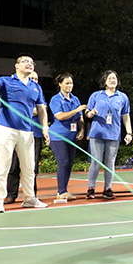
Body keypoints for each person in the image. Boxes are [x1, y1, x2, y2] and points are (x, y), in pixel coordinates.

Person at [0, 54, 50, 213]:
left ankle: (29, 198)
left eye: (32, 62)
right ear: (17, 66)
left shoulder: (36, 87)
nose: (29, 64)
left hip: (27, 131)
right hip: (6, 129)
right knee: (3, 166)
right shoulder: (6, 81)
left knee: (29, 168)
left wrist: (44, 127)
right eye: (25, 61)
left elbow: (42, 109)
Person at [85, 70, 133, 200]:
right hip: (97, 134)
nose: (112, 80)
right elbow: (87, 113)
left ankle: (107, 189)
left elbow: (126, 116)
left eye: (114, 78)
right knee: (96, 161)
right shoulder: (96, 95)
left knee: (110, 163)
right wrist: (91, 113)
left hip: (113, 134)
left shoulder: (122, 97)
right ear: (104, 81)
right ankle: (91, 188)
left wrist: (129, 132)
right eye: (110, 78)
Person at [5, 70, 45, 203]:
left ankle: (31, 195)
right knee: (14, 165)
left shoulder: (37, 93)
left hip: (35, 135)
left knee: (32, 167)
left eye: (36, 79)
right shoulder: (19, 93)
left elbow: (41, 110)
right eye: (32, 78)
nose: (34, 81)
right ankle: (11, 194)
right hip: (17, 133)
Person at [48, 73, 86, 202]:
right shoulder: (56, 99)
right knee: (63, 162)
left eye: (71, 83)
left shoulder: (75, 99)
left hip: (72, 136)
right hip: (58, 136)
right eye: (67, 83)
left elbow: (80, 117)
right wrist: (76, 110)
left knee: (69, 163)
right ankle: (61, 191)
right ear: (60, 84)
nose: (69, 86)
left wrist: (81, 130)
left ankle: (64, 190)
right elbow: (60, 116)